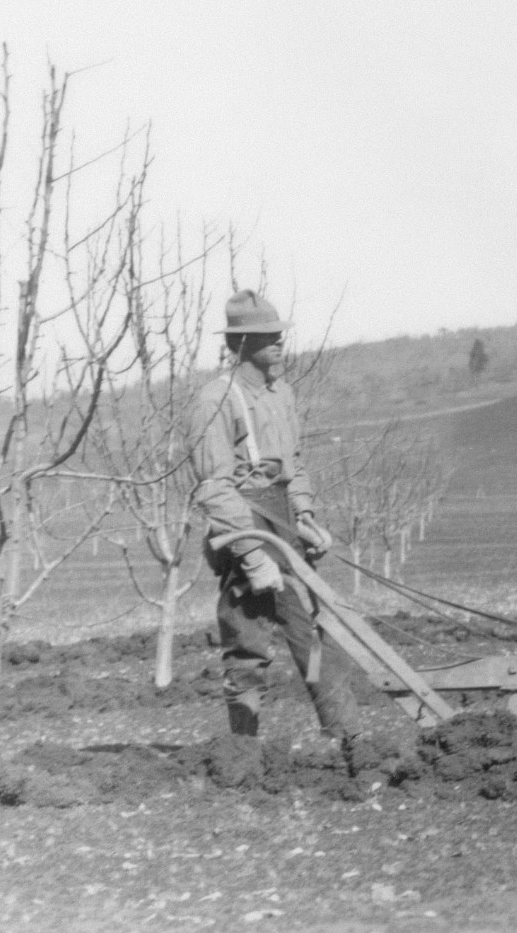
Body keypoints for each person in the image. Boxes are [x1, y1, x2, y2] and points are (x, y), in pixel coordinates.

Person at [190, 290, 361, 747]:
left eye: (279, 335)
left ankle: (348, 739)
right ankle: (241, 752)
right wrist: (250, 553)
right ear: (240, 344)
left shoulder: (280, 393)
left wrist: (304, 513)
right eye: (267, 337)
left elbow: (295, 462)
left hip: (282, 517)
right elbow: (214, 485)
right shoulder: (216, 398)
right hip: (244, 521)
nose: (279, 344)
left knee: (316, 632)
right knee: (247, 642)